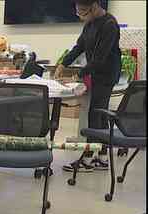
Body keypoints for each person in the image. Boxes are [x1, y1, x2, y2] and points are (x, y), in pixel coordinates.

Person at [56, 0, 121, 173]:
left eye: (82, 13)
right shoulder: (90, 24)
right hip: (96, 73)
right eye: (78, 13)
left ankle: (88, 158)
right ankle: (102, 157)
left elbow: (99, 58)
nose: (80, 17)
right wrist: (63, 64)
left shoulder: (110, 24)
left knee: (96, 114)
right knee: (100, 114)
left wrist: (78, 75)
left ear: (94, 7)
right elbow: (80, 47)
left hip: (106, 75)